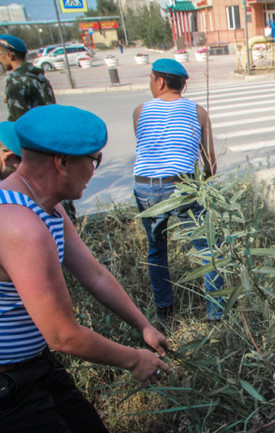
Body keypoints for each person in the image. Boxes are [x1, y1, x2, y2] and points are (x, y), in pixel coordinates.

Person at [0, 104, 170, 432]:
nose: (95, 170)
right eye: (93, 160)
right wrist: (134, 360)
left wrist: (143, 325)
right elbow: (63, 336)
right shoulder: (21, 226)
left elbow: (94, 274)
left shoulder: (44, 206)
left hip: (35, 366)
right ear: (61, 163)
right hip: (8, 385)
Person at [133, 59, 223, 320]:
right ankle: (216, 313)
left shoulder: (140, 112)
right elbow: (211, 163)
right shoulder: (199, 112)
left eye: (150, 79)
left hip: (145, 187)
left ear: (160, 82)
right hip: (182, 185)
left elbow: (147, 152)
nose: (150, 84)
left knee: (156, 248)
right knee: (208, 248)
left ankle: (164, 309)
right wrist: (202, 186)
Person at [0, 35, 55, 122]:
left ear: (10, 55)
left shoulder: (16, 83)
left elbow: (18, 124)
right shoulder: (39, 77)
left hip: (33, 134)